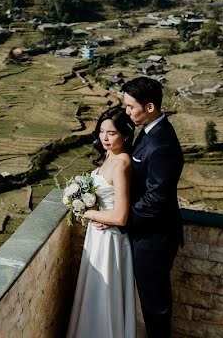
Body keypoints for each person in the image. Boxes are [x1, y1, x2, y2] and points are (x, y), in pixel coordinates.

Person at [66, 106, 136, 338]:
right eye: (102, 132)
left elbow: (120, 216)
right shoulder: (109, 155)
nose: (105, 138)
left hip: (111, 240)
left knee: (107, 294)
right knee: (94, 292)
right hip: (97, 235)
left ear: (125, 134)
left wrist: (88, 213)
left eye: (112, 133)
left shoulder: (122, 163)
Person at [122, 77, 184, 338]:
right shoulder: (149, 131)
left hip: (154, 237)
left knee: (155, 304)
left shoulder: (162, 144)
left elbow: (156, 198)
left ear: (149, 107)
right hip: (147, 234)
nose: (127, 112)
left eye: (130, 107)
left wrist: (122, 218)